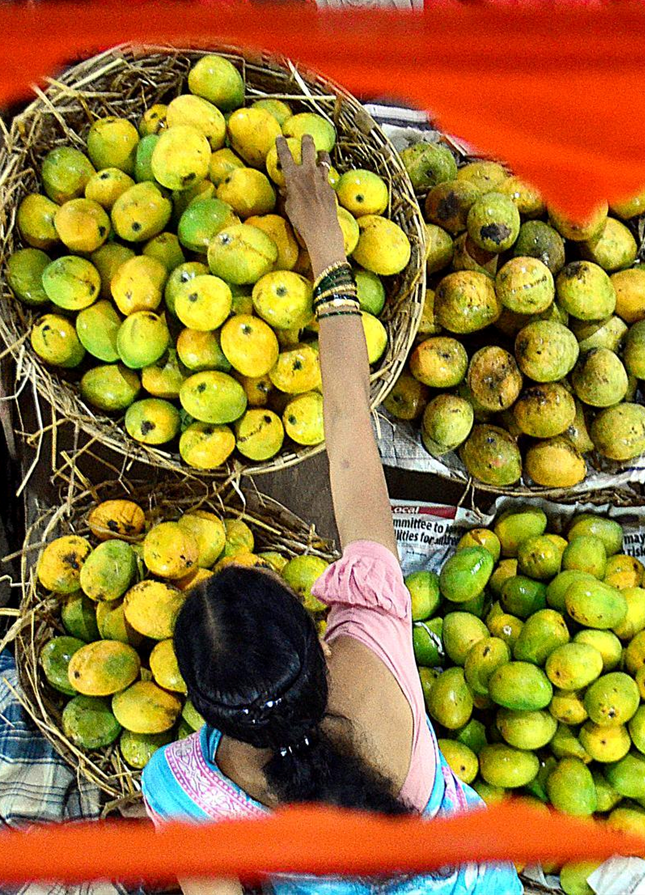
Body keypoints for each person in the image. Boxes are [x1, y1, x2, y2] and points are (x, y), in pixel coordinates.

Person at [142, 134, 523, 895]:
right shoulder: (372, 632)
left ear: (197, 701)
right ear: (311, 645)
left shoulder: (184, 789)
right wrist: (325, 245)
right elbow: (350, 430)